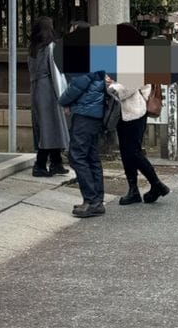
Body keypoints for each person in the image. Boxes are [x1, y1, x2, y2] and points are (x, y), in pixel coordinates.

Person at [58, 22, 107, 218]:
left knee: (76, 155)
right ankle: (97, 199)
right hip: (94, 111)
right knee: (91, 155)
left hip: (85, 111)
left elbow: (77, 85)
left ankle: (91, 199)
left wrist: (62, 100)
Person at [105, 72, 170, 206]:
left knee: (133, 152)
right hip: (122, 112)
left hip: (135, 111)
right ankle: (133, 190)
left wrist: (111, 87)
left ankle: (156, 184)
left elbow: (131, 85)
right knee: (126, 152)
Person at [27, 16, 69, 177]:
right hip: (49, 90)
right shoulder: (51, 47)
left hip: (36, 89)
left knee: (46, 125)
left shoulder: (33, 48)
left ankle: (56, 161)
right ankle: (40, 164)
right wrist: (63, 95)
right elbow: (56, 73)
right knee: (50, 126)